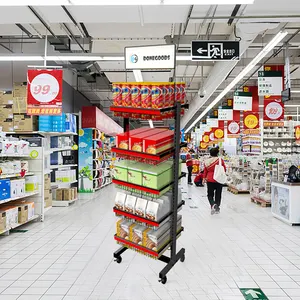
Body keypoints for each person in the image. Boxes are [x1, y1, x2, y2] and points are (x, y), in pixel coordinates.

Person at [203, 147, 226, 215]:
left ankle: (212, 204)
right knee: (218, 194)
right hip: (219, 179)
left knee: (210, 194)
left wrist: (204, 178)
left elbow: (205, 171)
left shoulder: (207, 161)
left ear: (210, 153)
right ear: (217, 153)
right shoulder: (220, 160)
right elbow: (224, 169)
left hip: (210, 179)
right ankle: (217, 208)